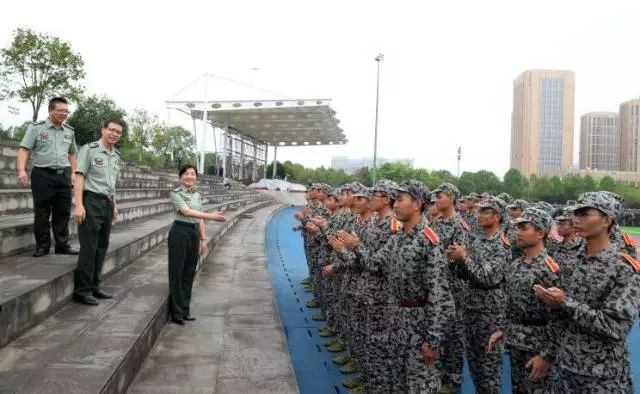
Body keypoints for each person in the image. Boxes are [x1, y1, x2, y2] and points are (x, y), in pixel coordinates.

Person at [327, 180, 455, 392]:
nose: (395, 205)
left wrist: (433, 340)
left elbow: (440, 296)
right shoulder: (398, 239)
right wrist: (355, 247)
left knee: (420, 384)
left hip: (419, 324)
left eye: (401, 199)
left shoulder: (428, 241)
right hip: (395, 320)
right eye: (394, 200)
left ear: (417, 204)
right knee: (397, 382)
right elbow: (375, 264)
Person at [535, 192, 640, 392]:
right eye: (576, 213)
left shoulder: (623, 268)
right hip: (565, 369)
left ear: (606, 220)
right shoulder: (571, 261)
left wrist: (564, 302)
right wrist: (547, 355)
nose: (576, 219)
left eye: (585, 214)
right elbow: (560, 320)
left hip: (602, 376)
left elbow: (614, 326)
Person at [487, 208, 560, 393]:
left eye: (524, 228)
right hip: (516, 342)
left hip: (538, 347)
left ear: (541, 233)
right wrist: (502, 329)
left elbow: (558, 318)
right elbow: (509, 304)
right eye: (517, 228)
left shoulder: (549, 269)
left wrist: (546, 356)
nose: (517, 232)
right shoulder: (515, 265)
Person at [449, 197, 510, 393]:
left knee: (489, 368)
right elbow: (463, 274)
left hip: (490, 312)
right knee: (474, 364)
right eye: (479, 211)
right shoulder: (475, 240)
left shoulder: (501, 244)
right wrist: (456, 261)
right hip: (471, 307)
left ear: (497, 217)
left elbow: (488, 277)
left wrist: (464, 258)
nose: (479, 215)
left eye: (485, 211)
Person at [17, 97, 78, 257]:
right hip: (42, 174)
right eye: (61, 111)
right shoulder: (36, 128)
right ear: (50, 111)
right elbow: (24, 149)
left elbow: (72, 153)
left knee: (63, 211)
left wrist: (73, 173)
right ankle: (43, 246)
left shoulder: (69, 131)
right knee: (42, 212)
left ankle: (62, 245)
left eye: (66, 111)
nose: (64, 114)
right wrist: (21, 170)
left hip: (63, 174)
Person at [72, 119, 124, 305]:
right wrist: (78, 204)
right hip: (91, 201)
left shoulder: (116, 155)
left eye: (118, 132)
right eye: (111, 130)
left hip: (107, 203)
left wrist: (115, 205)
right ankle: (82, 290)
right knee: (89, 246)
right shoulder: (90, 149)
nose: (114, 134)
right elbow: (79, 177)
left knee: (102, 245)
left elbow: (112, 184)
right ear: (103, 130)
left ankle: (94, 285)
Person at [167, 164, 226, 324]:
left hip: (193, 232)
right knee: (177, 273)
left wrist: (203, 239)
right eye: (186, 174)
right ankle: (177, 312)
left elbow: (199, 218)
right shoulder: (176, 193)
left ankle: (185, 309)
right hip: (179, 232)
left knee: (189, 272)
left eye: (193, 174)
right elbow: (186, 212)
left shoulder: (196, 195)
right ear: (180, 177)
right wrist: (211, 216)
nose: (190, 177)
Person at [431, 182, 469, 393]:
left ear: (452, 198)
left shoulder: (458, 225)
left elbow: (458, 258)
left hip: (453, 287)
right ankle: (441, 373)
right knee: (438, 330)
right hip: (437, 286)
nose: (437, 199)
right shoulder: (437, 223)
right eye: (436, 195)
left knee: (453, 334)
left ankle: (454, 379)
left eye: (441, 195)